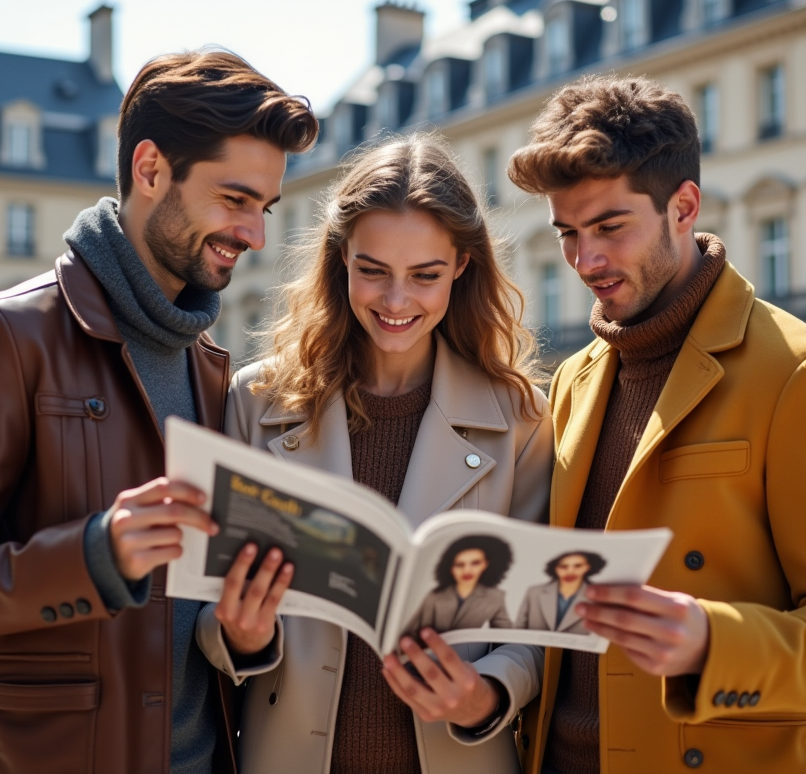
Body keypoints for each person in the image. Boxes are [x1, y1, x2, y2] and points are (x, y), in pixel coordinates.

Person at [0, 51, 318, 774]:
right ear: (150, 170)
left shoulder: (214, 372)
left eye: (264, 209)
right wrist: (94, 554)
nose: (255, 234)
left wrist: (241, 630)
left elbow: (188, 612)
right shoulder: (4, 336)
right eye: (235, 200)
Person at [506, 74, 806, 774]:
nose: (585, 261)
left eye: (609, 227)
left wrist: (711, 642)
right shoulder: (573, 380)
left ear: (682, 206)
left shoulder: (803, 374)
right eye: (567, 233)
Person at [196, 135, 554, 774]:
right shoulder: (254, 400)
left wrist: (486, 692)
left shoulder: (521, 418)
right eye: (373, 271)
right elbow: (208, 605)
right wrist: (238, 636)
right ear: (340, 260)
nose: (396, 302)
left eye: (425, 275)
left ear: (462, 267)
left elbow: (538, 625)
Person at [402, 535, 514, 637]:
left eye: (475, 563)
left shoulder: (495, 597)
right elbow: (413, 631)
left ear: (486, 564)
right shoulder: (434, 596)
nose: (467, 570)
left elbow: (506, 635)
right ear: (450, 568)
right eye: (459, 565)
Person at [514, 551, 606, 634]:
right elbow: (519, 626)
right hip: (532, 649)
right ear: (556, 568)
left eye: (578, 566)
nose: (570, 571)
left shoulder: (598, 595)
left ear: (587, 567)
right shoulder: (534, 592)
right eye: (563, 566)